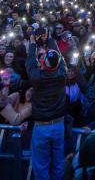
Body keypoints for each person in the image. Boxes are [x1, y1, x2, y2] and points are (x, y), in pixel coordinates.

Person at [27, 33, 68, 180]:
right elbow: (60, 57)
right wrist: (50, 39)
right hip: (58, 125)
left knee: (41, 165)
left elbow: (30, 62)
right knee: (58, 162)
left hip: (41, 126)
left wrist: (32, 43)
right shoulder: (62, 73)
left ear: (43, 63)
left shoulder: (37, 77)